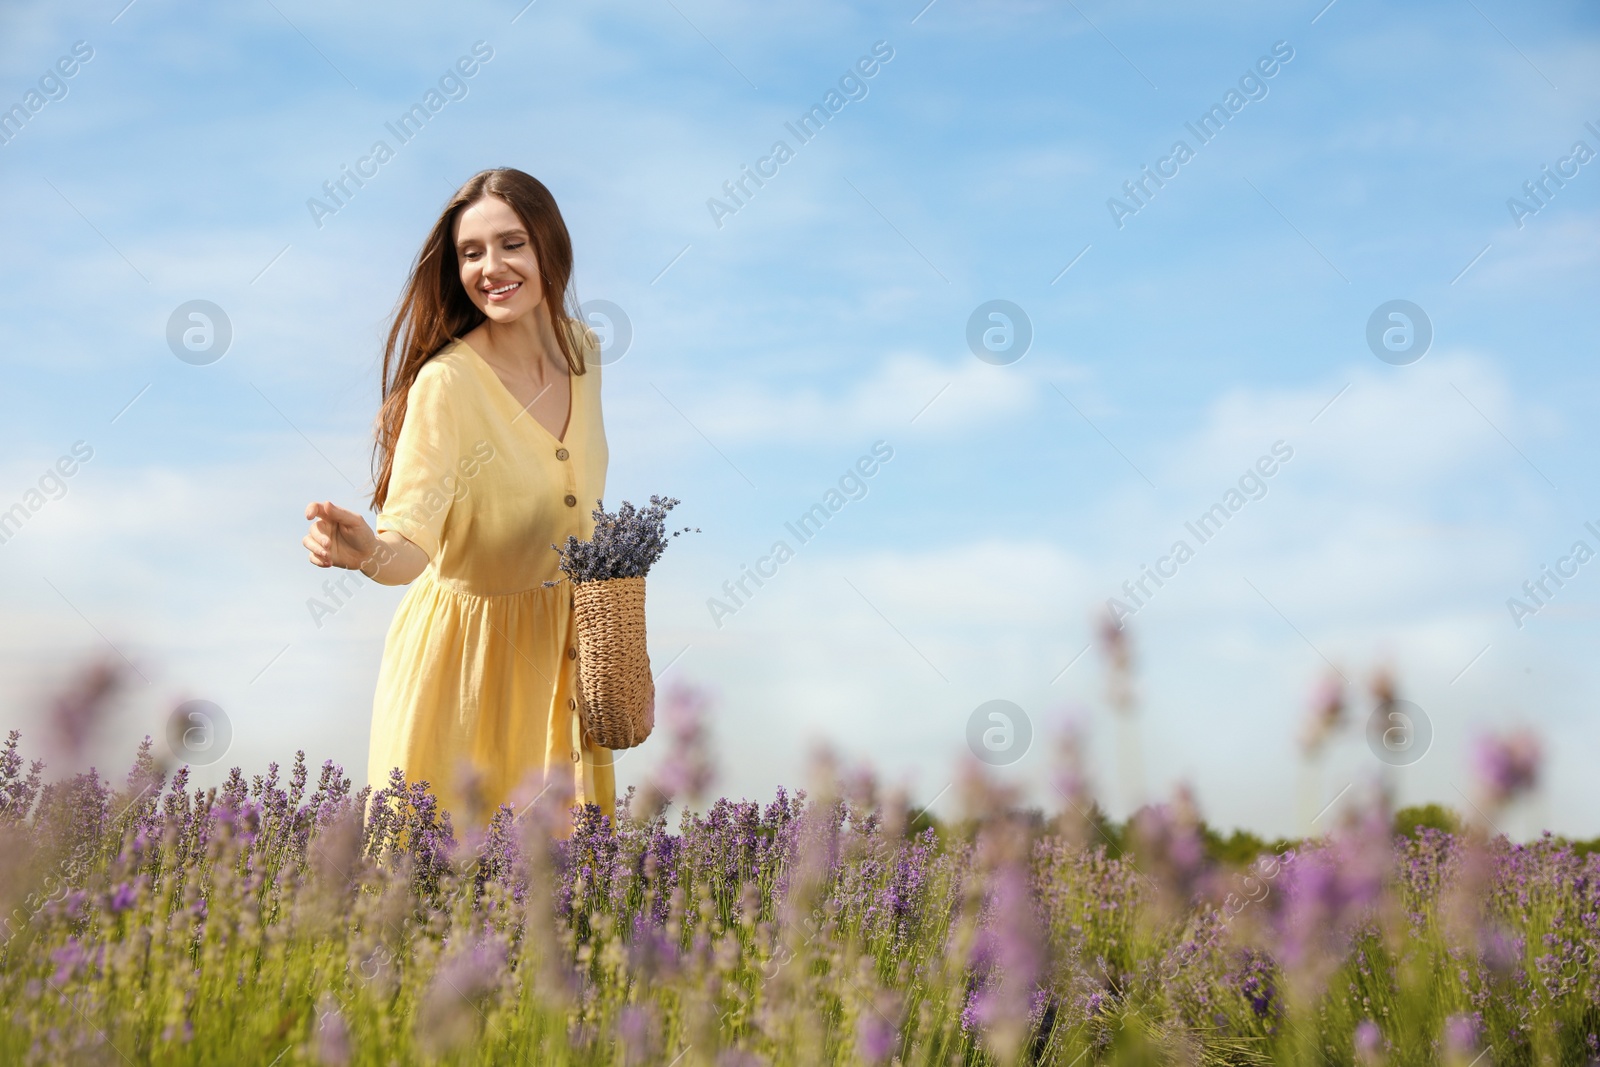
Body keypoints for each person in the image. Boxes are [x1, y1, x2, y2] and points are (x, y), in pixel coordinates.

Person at [301, 168, 614, 828]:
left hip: (564, 669)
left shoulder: (582, 354)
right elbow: (408, 550)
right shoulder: (447, 385)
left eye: (511, 244)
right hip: (462, 677)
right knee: (442, 904)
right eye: (471, 253)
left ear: (550, 247)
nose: (490, 267)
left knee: (571, 907)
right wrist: (365, 552)